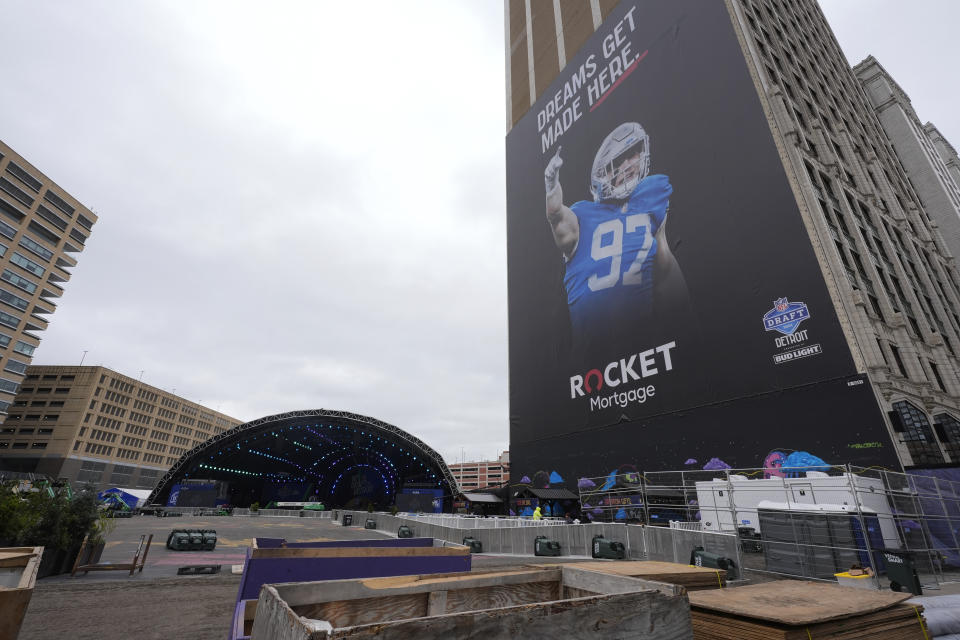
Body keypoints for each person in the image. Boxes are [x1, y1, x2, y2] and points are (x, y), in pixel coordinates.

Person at [544, 122, 689, 338]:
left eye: (634, 155)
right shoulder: (582, 215)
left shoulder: (651, 199)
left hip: (645, 343)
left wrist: (686, 328)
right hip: (594, 354)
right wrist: (551, 186)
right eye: (621, 160)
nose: (631, 164)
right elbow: (556, 215)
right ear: (604, 173)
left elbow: (666, 270)